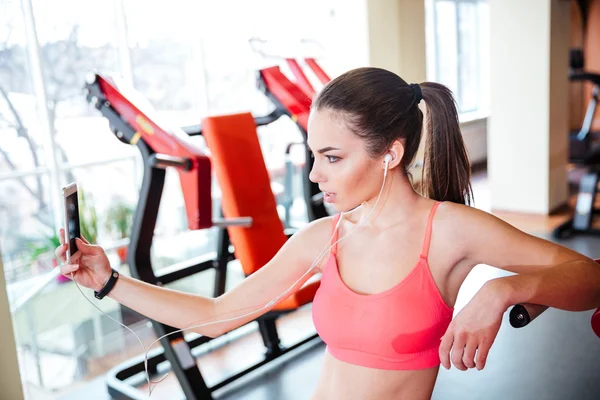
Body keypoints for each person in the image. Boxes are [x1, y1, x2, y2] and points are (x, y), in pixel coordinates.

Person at [55, 67, 600, 400]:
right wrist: (109, 283)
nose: (315, 176)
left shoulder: (450, 231)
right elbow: (216, 316)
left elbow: (591, 278)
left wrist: (503, 289)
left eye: (333, 158)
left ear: (391, 154)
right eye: (314, 155)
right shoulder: (324, 236)